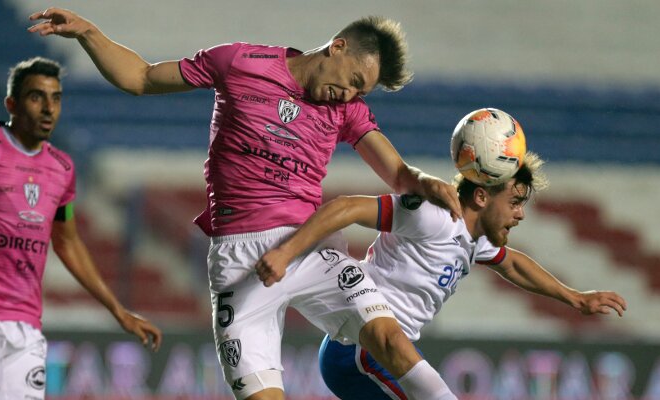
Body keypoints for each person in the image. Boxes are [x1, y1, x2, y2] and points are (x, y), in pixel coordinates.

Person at [28, 8, 463, 400]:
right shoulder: (239, 62)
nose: (349, 96)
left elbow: (399, 174)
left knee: (388, 339)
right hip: (238, 261)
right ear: (338, 46)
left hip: (309, 248)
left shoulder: (347, 112)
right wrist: (89, 33)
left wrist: (426, 183)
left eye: (361, 92)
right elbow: (140, 78)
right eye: (353, 81)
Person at [255, 149, 628, 399]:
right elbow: (349, 207)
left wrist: (575, 297)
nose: (521, 214)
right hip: (362, 348)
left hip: (376, 351)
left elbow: (513, 263)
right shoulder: (433, 216)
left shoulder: (472, 239)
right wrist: (287, 251)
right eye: (514, 202)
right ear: (481, 197)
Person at [0, 57, 163, 399]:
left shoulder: (61, 167)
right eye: (36, 97)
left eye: (55, 98)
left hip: (24, 327)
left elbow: (67, 242)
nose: (48, 108)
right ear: (12, 103)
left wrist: (118, 310)